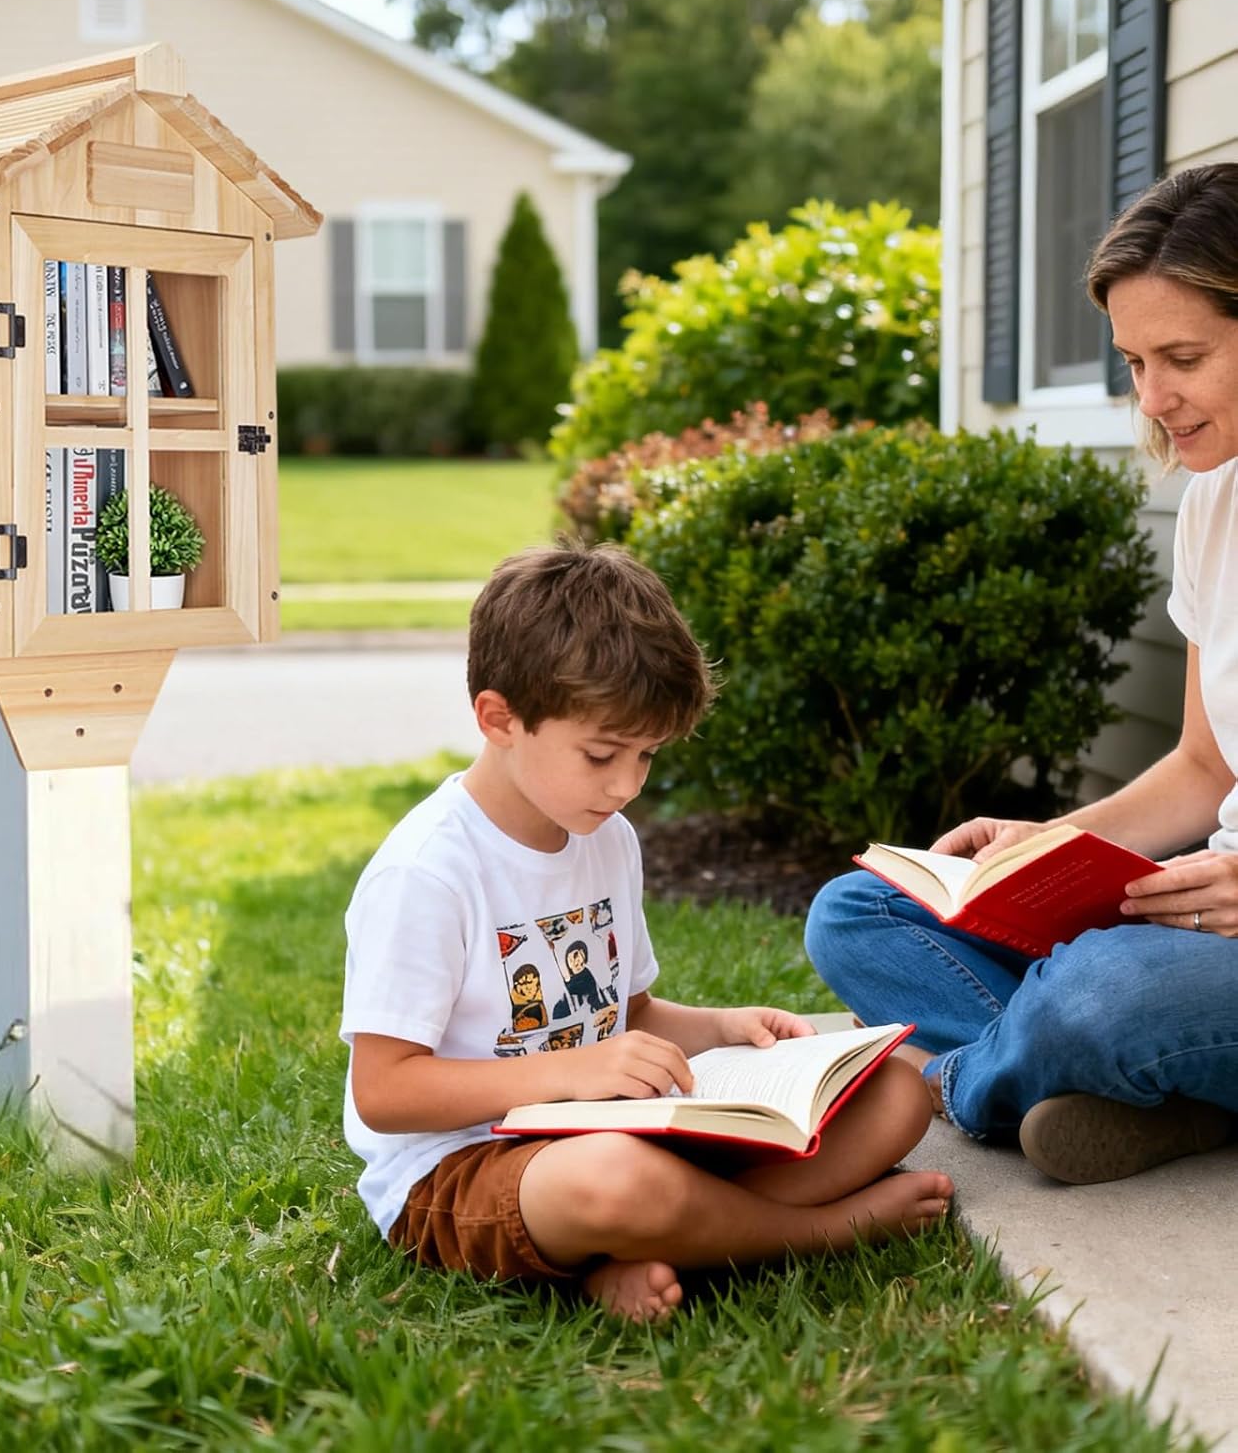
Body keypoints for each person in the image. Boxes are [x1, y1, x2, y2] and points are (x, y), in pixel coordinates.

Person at [340, 544, 952, 1322]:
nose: (627, 785)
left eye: (647, 756)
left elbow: (626, 1016)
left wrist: (725, 1028)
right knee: (615, 1182)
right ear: (500, 719)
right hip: (465, 1167)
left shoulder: (605, 835)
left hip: (609, 1131)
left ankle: (633, 1253)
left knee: (896, 1093)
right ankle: (817, 1233)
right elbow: (385, 1091)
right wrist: (572, 1074)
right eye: (601, 754)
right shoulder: (428, 872)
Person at [805, 162, 1238, 1187]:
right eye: (1134, 362)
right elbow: (1199, 771)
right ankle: (1144, 1092)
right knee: (857, 913)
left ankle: (966, 1084)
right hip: (1197, 922)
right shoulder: (1213, 507)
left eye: (1183, 357)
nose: (1154, 398)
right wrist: (1040, 854)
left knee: (1099, 995)